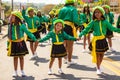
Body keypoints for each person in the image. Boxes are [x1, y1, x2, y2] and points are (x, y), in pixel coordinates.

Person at [79, 6, 120, 74]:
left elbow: (112, 28)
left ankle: (99, 65)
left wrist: (119, 30)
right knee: (97, 55)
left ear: (102, 13)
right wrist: (80, 34)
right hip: (96, 41)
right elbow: (87, 29)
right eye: (95, 12)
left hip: (103, 40)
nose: (97, 14)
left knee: (102, 55)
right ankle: (98, 68)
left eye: (98, 12)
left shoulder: (105, 22)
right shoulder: (93, 22)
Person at [7, 11, 37, 77]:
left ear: (17, 18)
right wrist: (7, 45)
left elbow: (28, 32)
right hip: (13, 44)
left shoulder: (22, 25)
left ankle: (22, 71)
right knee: (15, 58)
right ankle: (15, 71)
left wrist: (34, 39)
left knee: (21, 58)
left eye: (12, 16)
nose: (10, 17)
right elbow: (9, 37)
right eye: (11, 16)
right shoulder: (10, 26)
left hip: (20, 43)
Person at [58, 0, 81, 65]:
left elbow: (58, 19)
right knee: (70, 45)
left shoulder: (62, 9)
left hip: (62, 27)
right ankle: (69, 60)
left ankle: (65, 59)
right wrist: (80, 23)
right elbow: (75, 20)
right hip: (69, 27)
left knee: (65, 44)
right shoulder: (73, 9)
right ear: (72, 3)